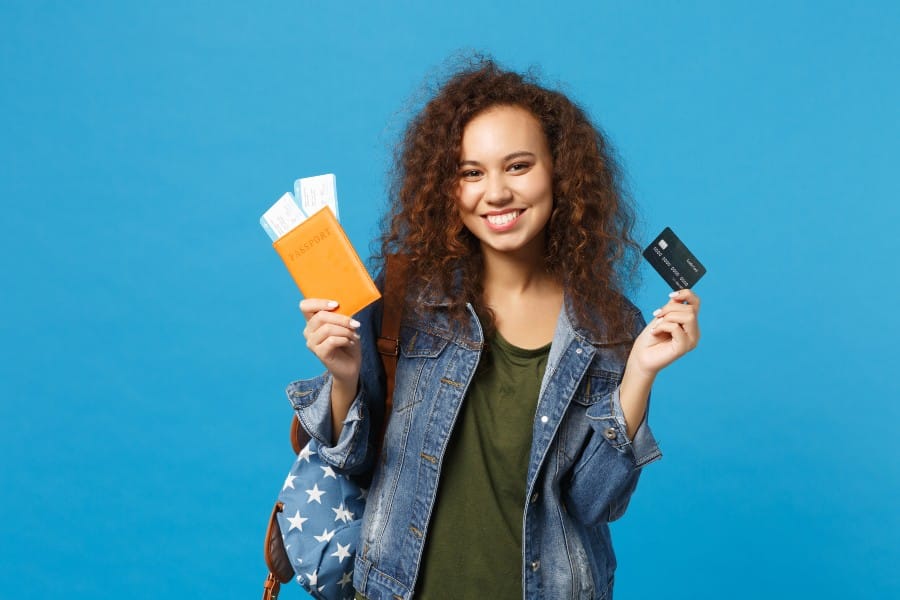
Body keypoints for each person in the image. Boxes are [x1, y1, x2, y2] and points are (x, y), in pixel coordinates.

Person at [289, 58, 701, 600]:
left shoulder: (608, 326)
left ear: (560, 172)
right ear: (447, 188)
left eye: (519, 166)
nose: (497, 193)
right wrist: (344, 379)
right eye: (471, 172)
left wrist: (640, 375)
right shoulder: (401, 299)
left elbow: (595, 504)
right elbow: (355, 463)